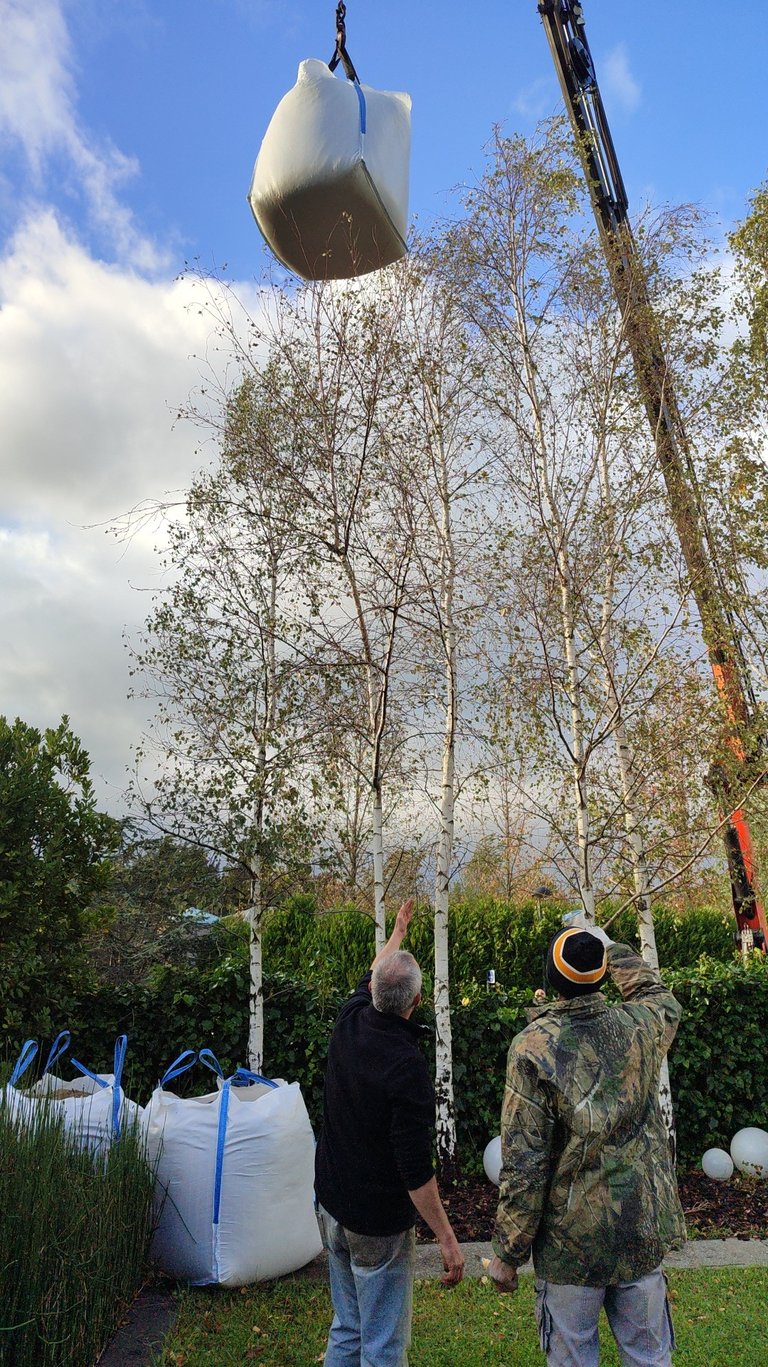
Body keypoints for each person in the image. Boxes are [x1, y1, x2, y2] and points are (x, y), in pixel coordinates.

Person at [489, 920, 686, 1367]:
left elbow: (525, 1161)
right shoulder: (640, 1026)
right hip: (639, 1229)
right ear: (601, 974)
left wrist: (508, 1252)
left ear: (550, 978)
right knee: (650, 1358)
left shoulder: (533, 1047)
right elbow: (658, 995)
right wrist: (610, 945)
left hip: (570, 1246)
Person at [315, 897, 464, 1367]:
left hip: (331, 1206)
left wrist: (398, 933)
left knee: (348, 1327)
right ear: (416, 1003)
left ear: (374, 990)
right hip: (375, 1225)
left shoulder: (349, 1018)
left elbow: (374, 972)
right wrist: (447, 1238)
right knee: (382, 1345)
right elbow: (415, 1172)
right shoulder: (407, 1066)